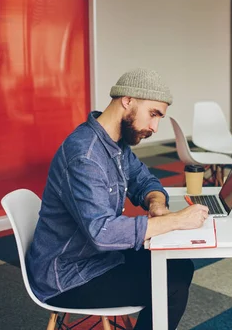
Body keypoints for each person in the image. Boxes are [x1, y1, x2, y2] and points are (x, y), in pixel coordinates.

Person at [27, 68, 210, 330]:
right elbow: (103, 233)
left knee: (180, 267)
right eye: (153, 114)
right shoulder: (86, 156)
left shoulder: (115, 144)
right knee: (172, 285)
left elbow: (145, 181)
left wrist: (157, 204)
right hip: (68, 275)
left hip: (94, 257)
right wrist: (177, 221)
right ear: (128, 101)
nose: (155, 127)